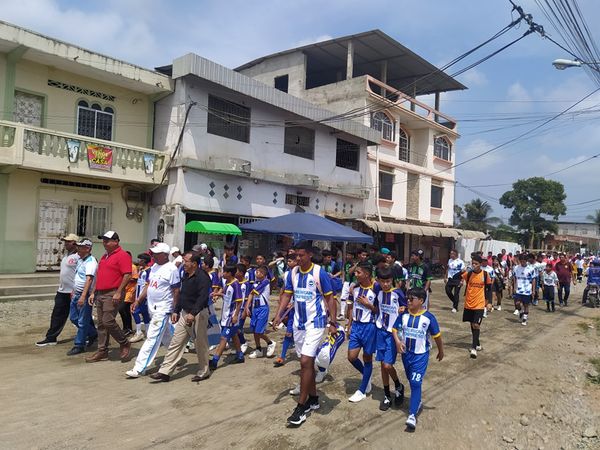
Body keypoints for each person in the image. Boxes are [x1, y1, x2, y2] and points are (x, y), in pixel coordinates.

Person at [273, 241, 335, 427]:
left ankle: (301, 407)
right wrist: (278, 315)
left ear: (309, 254)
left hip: (316, 323)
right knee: (307, 364)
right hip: (298, 324)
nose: (298, 258)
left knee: (305, 362)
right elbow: (287, 295)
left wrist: (332, 322)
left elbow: (330, 298)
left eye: (301, 255)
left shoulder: (319, 273)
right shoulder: (292, 273)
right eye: (295, 256)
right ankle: (314, 399)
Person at [150, 252, 212, 382]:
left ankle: (204, 371)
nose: (184, 263)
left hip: (198, 314)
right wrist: (176, 311)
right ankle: (165, 371)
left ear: (194, 263)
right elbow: (182, 294)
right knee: (176, 342)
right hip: (185, 313)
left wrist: (193, 313)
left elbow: (202, 298)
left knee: (200, 344)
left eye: (186, 261)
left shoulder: (203, 277)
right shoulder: (185, 275)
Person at [126, 243, 180, 377]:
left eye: (156, 253)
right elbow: (149, 285)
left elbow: (176, 291)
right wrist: (138, 300)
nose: (153, 256)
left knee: (152, 337)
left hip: (163, 309)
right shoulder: (154, 267)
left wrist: (175, 310)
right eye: (153, 253)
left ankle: (139, 368)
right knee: (166, 336)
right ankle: (174, 356)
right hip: (152, 308)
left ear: (165, 255)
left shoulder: (172, 269)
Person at [392, 288, 444, 431]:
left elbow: (437, 336)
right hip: (406, 354)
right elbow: (395, 329)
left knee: (415, 382)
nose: (408, 301)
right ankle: (418, 401)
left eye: (411, 299)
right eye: (407, 298)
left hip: (420, 356)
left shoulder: (429, 318)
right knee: (411, 379)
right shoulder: (403, 315)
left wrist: (441, 351)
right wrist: (398, 342)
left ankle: (412, 415)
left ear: (421, 301)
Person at [85, 231, 132, 363]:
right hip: (101, 293)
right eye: (104, 240)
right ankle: (102, 351)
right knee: (101, 324)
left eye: (107, 240)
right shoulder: (105, 256)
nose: (104, 243)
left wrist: (119, 292)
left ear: (116, 241)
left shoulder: (122, 255)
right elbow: (99, 276)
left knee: (108, 321)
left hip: (113, 292)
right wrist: (94, 292)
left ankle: (124, 342)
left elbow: (127, 275)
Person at [36, 233, 80, 347]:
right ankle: (51, 338)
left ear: (75, 243)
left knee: (79, 316)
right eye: (65, 241)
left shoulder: (79, 256)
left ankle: (91, 334)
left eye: (68, 242)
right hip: (62, 291)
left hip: (74, 292)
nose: (66, 243)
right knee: (57, 315)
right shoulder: (66, 256)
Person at [374, 267, 406, 411]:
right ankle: (387, 395)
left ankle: (398, 385)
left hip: (392, 333)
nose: (385, 284)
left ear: (392, 280)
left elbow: (406, 307)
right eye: (383, 281)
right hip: (380, 331)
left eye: (388, 281)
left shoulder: (397, 293)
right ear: (378, 281)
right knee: (382, 365)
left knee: (387, 365)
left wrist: (403, 309)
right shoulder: (378, 292)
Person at [346, 262, 378, 403]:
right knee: (351, 357)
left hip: (369, 327)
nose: (356, 274)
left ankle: (362, 390)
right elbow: (351, 307)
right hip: (356, 326)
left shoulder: (376, 289)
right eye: (356, 272)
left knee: (367, 357)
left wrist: (369, 305)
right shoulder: (354, 288)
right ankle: (367, 376)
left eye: (359, 272)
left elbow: (380, 310)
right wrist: (349, 325)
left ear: (367, 274)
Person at [209, 265, 245, 369]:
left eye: (224, 272)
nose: (222, 274)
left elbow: (239, 302)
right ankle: (240, 355)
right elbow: (227, 296)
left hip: (231, 316)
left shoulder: (235, 284)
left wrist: (236, 315)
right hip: (225, 315)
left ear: (229, 273)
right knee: (234, 335)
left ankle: (215, 360)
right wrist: (217, 294)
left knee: (223, 338)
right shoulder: (228, 284)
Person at [66, 238, 98, 356]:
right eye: (78, 246)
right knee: (73, 318)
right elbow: (78, 277)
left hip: (84, 294)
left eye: (80, 247)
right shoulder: (80, 260)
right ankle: (93, 333)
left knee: (82, 321)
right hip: (77, 293)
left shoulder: (91, 262)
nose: (78, 249)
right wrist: (74, 291)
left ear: (87, 249)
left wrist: (83, 296)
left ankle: (79, 345)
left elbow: (89, 279)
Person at [461, 256, 491, 359]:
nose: (474, 265)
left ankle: (473, 348)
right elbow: (457, 277)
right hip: (469, 303)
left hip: (479, 304)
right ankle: (477, 344)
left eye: (476, 264)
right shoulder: (469, 274)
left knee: (476, 324)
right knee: (472, 324)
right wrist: (462, 271)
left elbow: (489, 289)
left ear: (480, 264)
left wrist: (489, 302)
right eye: (473, 263)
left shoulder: (485, 274)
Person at [246, 266, 276, 358]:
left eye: (258, 272)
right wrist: (247, 306)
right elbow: (251, 294)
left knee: (259, 331)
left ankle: (270, 343)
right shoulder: (255, 283)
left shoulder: (265, 282)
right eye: (256, 272)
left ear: (263, 274)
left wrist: (251, 294)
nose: (256, 273)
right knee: (254, 330)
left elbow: (253, 292)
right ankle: (258, 349)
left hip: (263, 308)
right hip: (255, 308)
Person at [274, 254, 297, 367]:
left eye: (291, 261)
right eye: (288, 261)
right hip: (292, 309)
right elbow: (286, 290)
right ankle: (282, 356)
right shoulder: (288, 274)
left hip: (305, 311)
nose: (289, 263)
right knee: (288, 332)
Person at [129, 253, 152, 343]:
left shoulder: (149, 271)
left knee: (135, 311)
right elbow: (139, 283)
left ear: (144, 261)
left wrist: (142, 296)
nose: (138, 261)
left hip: (143, 297)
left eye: (139, 259)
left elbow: (147, 285)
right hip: (138, 296)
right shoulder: (141, 270)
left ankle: (139, 332)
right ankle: (148, 332)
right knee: (145, 314)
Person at [512, 253, 537, 326]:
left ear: (526, 261)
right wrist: (514, 287)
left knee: (526, 305)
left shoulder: (531, 269)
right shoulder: (516, 268)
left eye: (524, 261)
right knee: (517, 303)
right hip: (519, 289)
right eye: (521, 261)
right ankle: (521, 312)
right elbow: (515, 278)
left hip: (527, 290)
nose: (522, 262)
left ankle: (524, 319)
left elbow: (533, 280)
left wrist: (533, 290)